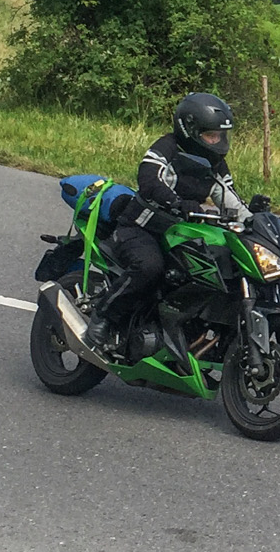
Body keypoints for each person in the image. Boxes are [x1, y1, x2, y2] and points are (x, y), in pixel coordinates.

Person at [84, 91, 244, 357]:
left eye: (220, 136)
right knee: (150, 268)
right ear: (190, 129)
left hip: (182, 233)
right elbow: (149, 179)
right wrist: (177, 202)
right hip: (141, 228)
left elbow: (230, 198)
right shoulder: (167, 148)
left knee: (218, 273)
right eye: (211, 135)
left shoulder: (216, 163)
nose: (217, 141)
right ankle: (102, 317)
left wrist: (257, 219)